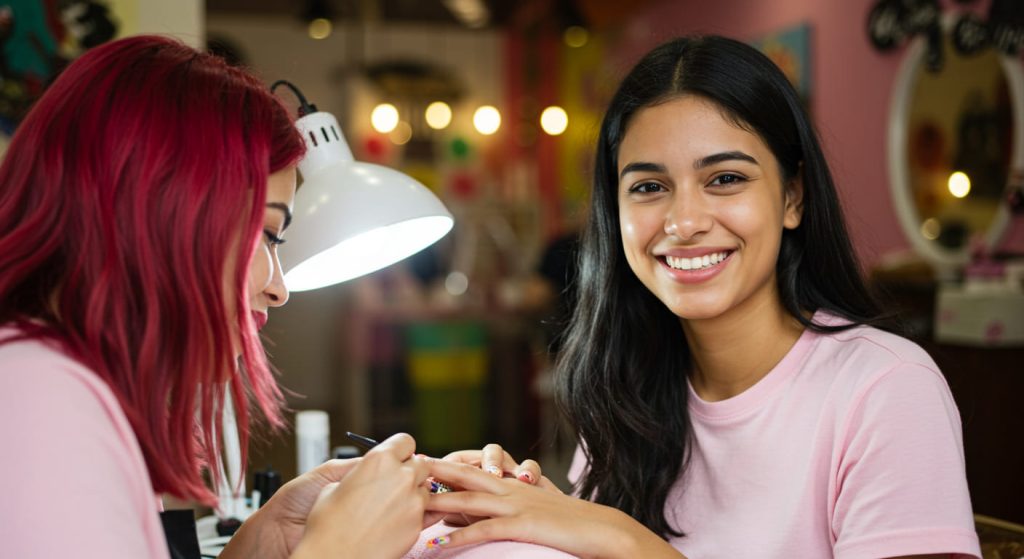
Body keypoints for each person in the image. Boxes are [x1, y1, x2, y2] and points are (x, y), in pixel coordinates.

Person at [420, 35, 982, 558]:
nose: (684, 222)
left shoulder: (885, 389)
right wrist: (540, 515)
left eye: (725, 179)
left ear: (792, 197)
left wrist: (621, 538)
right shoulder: (623, 386)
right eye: (648, 187)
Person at [0, 35, 437, 558]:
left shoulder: (63, 388)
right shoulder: (38, 402)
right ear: (164, 214)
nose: (278, 289)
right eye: (268, 236)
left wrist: (256, 546)